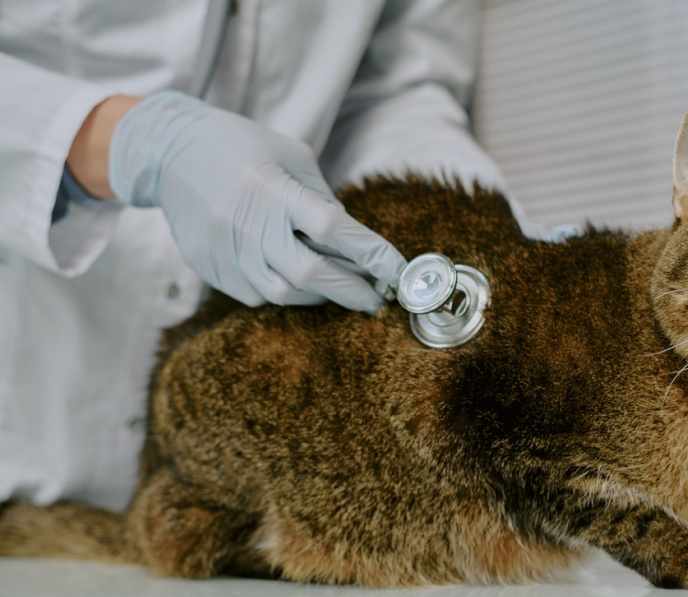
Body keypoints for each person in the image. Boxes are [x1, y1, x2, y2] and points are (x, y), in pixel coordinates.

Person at [0, 0, 562, 511]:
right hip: (33, 391)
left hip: (243, 478)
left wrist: (476, 227)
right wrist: (136, 142)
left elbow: (392, 90)